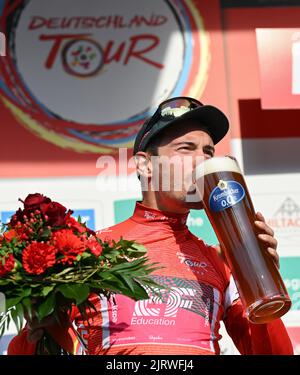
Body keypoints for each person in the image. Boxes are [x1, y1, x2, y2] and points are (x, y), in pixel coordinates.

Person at [8, 97, 293, 355]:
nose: (202, 161)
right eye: (186, 149)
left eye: (208, 152)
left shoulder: (224, 261)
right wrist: (39, 323)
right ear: (145, 166)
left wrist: (259, 288)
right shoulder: (89, 252)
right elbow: (32, 347)